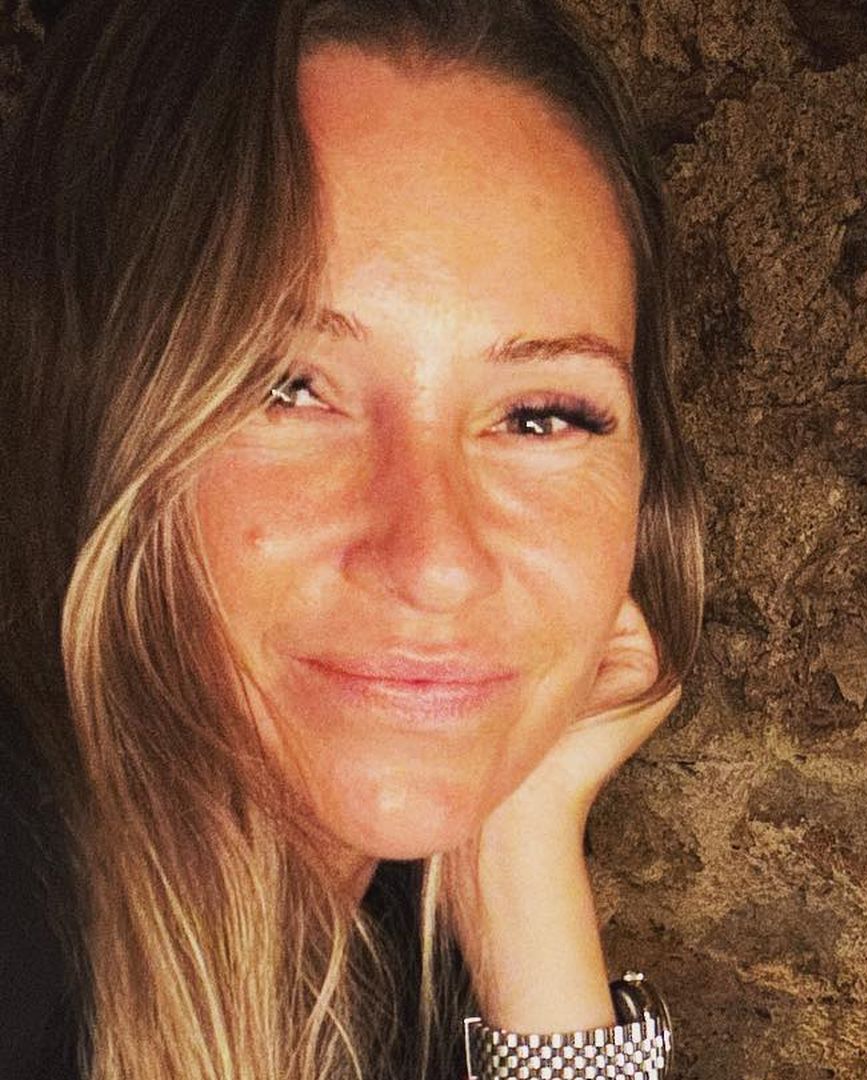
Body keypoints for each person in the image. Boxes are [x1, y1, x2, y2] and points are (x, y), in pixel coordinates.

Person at [0, 2, 703, 1078]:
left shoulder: (394, 913)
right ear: (81, 416)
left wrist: (521, 861)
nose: (438, 561)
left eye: (540, 415)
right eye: (286, 388)